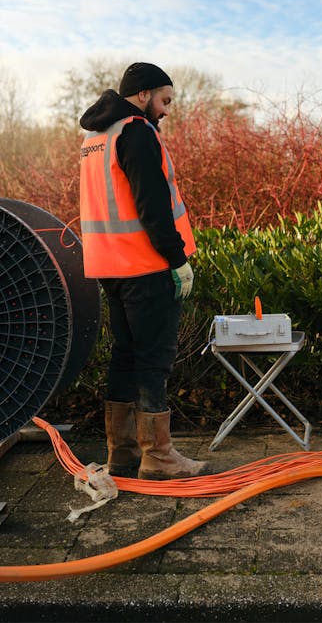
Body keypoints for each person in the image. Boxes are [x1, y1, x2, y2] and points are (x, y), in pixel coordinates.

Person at [79, 61, 208, 480]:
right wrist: (177, 260)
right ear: (142, 95)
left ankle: (123, 452)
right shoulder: (136, 132)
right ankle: (160, 456)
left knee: (125, 356)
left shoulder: (96, 137)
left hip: (109, 266)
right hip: (146, 264)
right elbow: (152, 206)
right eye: (164, 100)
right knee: (154, 360)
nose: (167, 110)